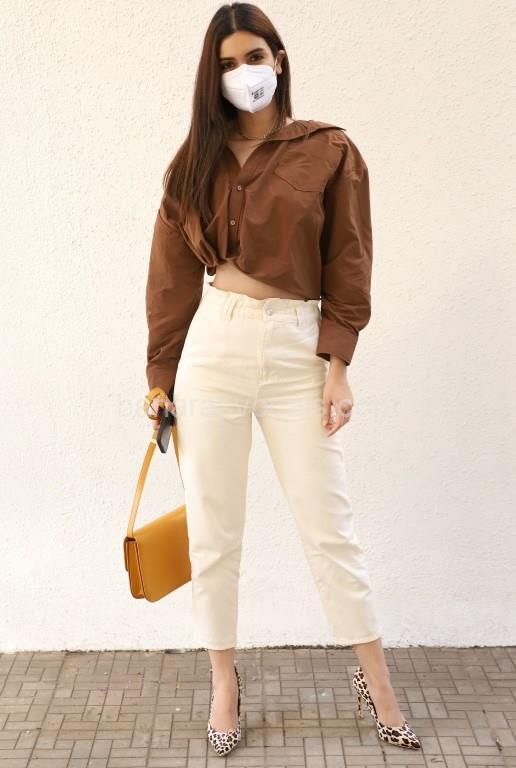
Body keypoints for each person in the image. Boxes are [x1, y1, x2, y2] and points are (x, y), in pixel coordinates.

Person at [144, 2, 421, 756]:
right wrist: (161, 375)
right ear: (213, 77)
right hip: (215, 348)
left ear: (279, 58)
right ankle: (224, 684)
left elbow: (349, 259)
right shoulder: (192, 163)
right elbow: (171, 278)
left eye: (254, 57)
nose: (244, 74)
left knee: (329, 525)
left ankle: (378, 682)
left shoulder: (328, 151)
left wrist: (339, 366)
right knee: (213, 529)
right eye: (227, 64)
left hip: (300, 348)